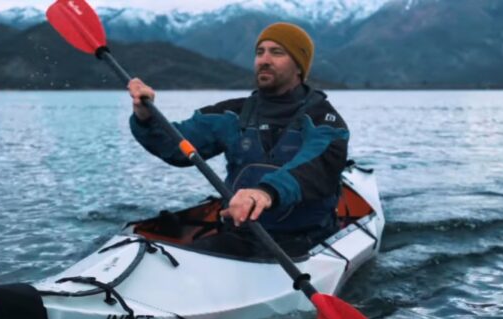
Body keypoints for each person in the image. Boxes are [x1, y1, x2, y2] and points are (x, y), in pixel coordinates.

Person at [128, 22, 349, 258]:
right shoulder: (232, 114)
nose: (264, 59)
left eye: (277, 52)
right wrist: (146, 117)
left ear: (299, 66)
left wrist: (264, 193)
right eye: (260, 52)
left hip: (307, 239)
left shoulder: (325, 121)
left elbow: (316, 167)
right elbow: (174, 146)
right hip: (241, 236)